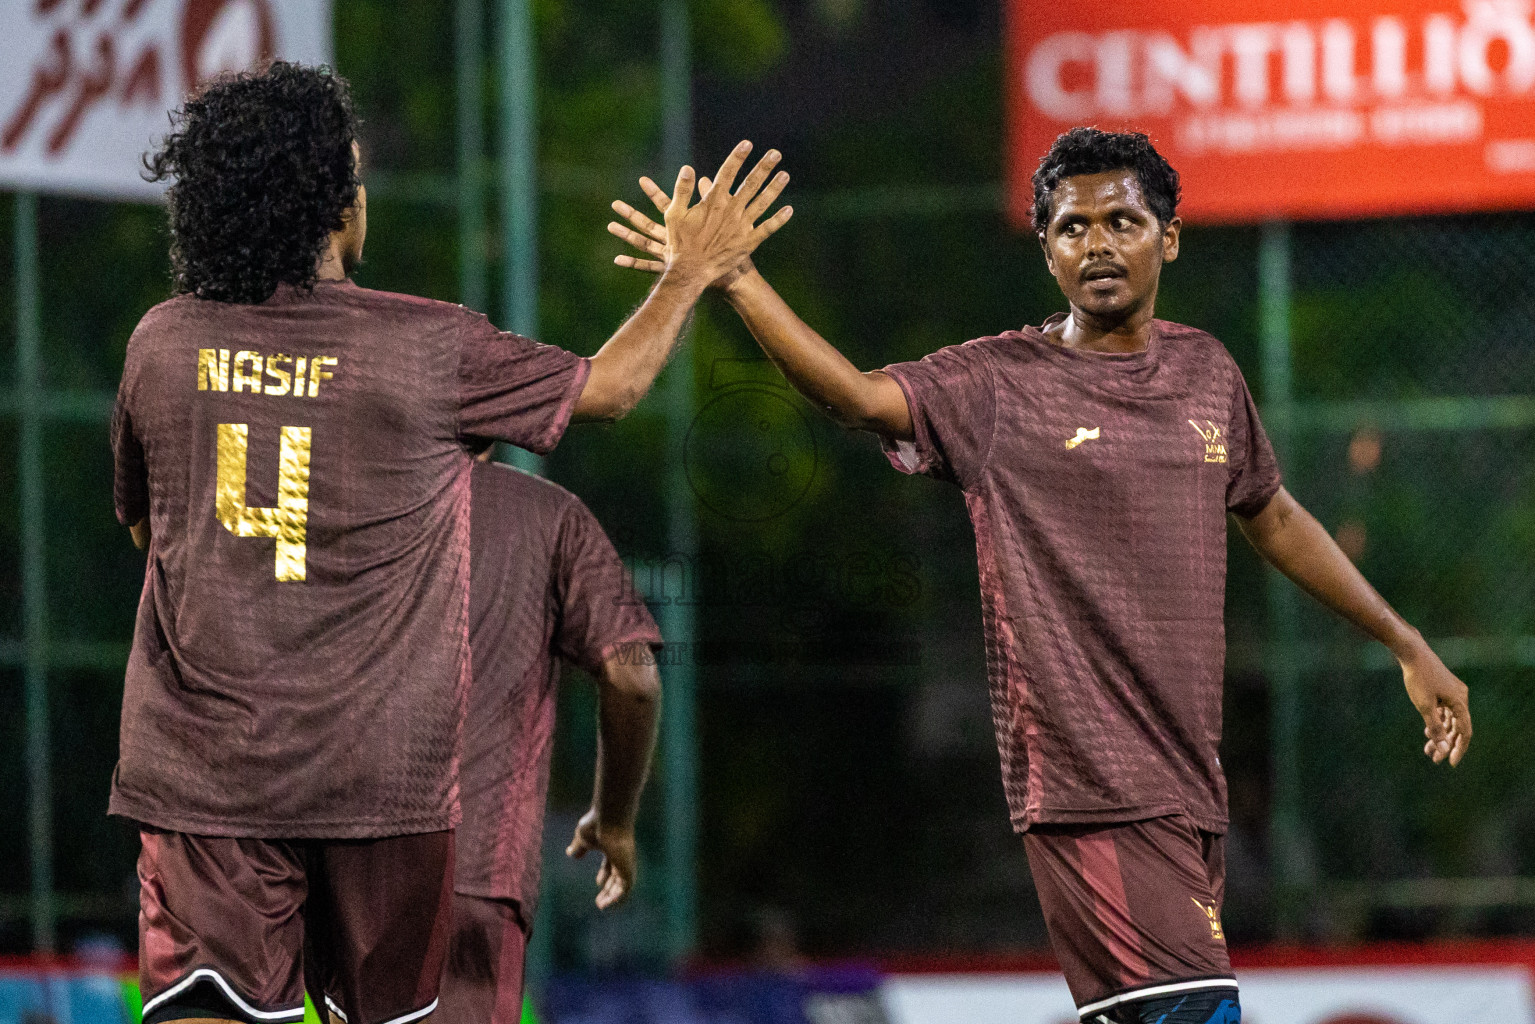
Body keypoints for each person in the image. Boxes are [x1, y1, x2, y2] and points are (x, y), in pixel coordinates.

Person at [608, 127, 1471, 1024]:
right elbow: (856, 398)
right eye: (1071, 228)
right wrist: (738, 276)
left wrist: (1402, 640)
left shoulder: (1205, 370)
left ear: (1167, 236)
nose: (1097, 243)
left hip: (1185, 783)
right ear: (1046, 249)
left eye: (1121, 221)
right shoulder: (998, 385)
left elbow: (1275, 515)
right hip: (1089, 785)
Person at [110, 62, 788, 1024]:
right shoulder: (428, 349)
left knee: (203, 1010)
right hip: (382, 776)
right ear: (339, 200)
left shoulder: (160, 342)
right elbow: (612, 388)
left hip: (208, 771)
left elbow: (151, 530)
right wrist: (685, 274)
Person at [437, 452, 663, 1024]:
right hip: (474, 866)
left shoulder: (334, 491)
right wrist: (612, 818)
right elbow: (634, 676)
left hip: (331, 861)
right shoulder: (548, 516)